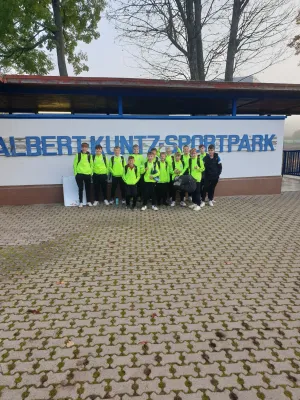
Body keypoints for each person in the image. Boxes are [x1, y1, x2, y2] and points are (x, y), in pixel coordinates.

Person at [73, 142, 93, 208]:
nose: (84, 148)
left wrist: (91, 173)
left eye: (86, 147)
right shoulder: (78, 155)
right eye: (83, 147)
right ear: (81, 148)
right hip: (79, 174)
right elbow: (74, 165)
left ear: (87, 148)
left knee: (88, 188)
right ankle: (81, 202)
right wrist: (76, 174)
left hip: (87, 174)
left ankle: (88, 201)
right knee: (80, 188)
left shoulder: (90, 155)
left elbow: (92, 165)